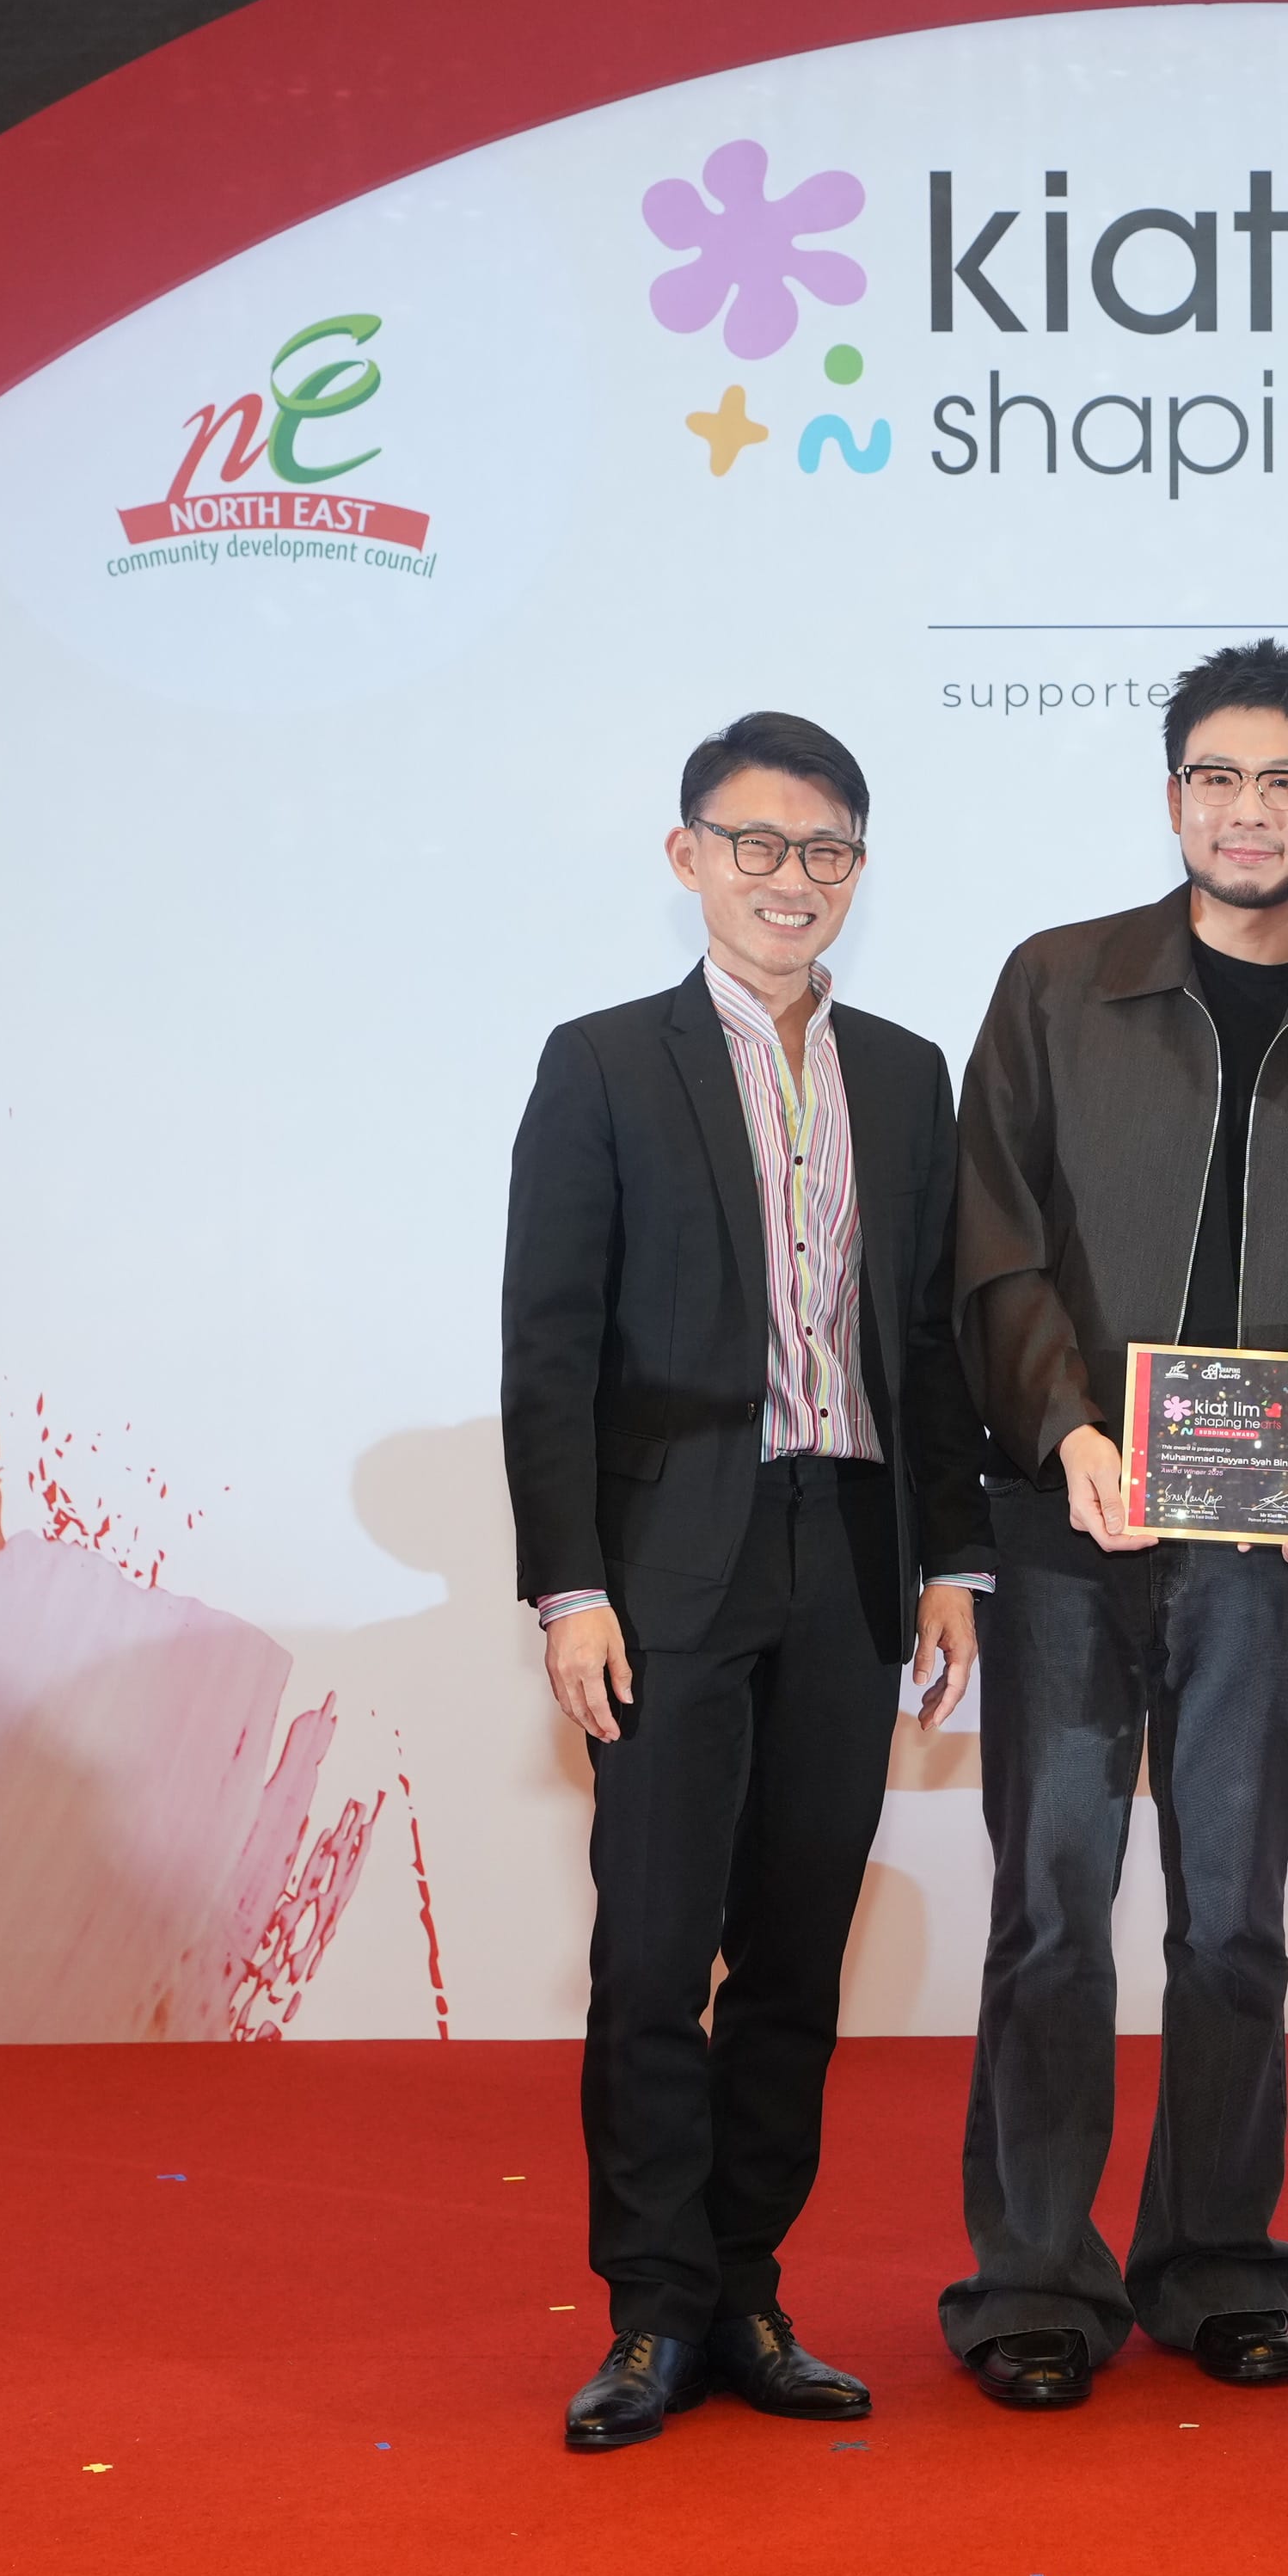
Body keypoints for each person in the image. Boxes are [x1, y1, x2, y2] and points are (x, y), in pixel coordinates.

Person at [938, 640, 1288, 2407]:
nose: (1251, 811)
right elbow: (988, 1242)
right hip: (1065, 1521)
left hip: (1257, 1550)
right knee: (1053, 1907)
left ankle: (1220, 2262)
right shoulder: (1059, 988)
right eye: (1220, 779)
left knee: (1233, 1916)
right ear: (1173, 798)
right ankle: (1032, 2282)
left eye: (1286, 783)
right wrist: (1064, 1425)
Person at [503, 711, 990, 2453]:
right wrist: (571, 1591)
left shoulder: (914, 1075)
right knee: (653, 1953)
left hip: (853, 1553)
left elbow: (930, 1340)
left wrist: (953, 1565)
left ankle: (749, 2291)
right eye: (758, 845)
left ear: (858, 870)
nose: (793, 879)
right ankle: (651, 2314)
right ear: (688, 856)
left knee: (794, 1954)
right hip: (669, 1565)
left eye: (827, 851)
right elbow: (547, 1348)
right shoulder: (606, 1066)